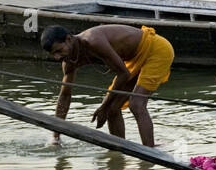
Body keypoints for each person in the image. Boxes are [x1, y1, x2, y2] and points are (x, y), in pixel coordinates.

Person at [41, 24, 175, 147]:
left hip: (156, 50)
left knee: (136, 104)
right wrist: (56, 136)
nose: (57, 57)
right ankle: (120, 149)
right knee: (112, 108)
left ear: (69, 39)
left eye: (59, 50)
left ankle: (150, 152)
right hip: (134, 58)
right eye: (54, 54)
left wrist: (103, 107)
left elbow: (123, 74)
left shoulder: (92, 41)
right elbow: (65, 96)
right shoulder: (69, 61)